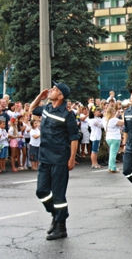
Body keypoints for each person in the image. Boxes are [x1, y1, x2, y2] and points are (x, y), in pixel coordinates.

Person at [29, 81, 79, 241]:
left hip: (59, 159)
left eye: (55, 89)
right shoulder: (47, 108)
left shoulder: (67, 114)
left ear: (61, 96)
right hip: (44, 157)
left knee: (58, 195)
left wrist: (71, 158)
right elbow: (31, 110)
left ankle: (61, 227)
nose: (51, 90)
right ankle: (55, 214)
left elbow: (73, 138)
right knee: (41, 191)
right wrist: (40, 97)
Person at [102, 107, 124, 173]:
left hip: (108, 138)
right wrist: (123, 115)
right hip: (115, 138)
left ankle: (110, 167)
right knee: (113, 154)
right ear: (112, 112)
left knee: (111, 153)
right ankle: (113, 168)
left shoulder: (105, 119)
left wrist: (116, 114)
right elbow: (123, 122)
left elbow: (113, 120)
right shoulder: (114, 120)